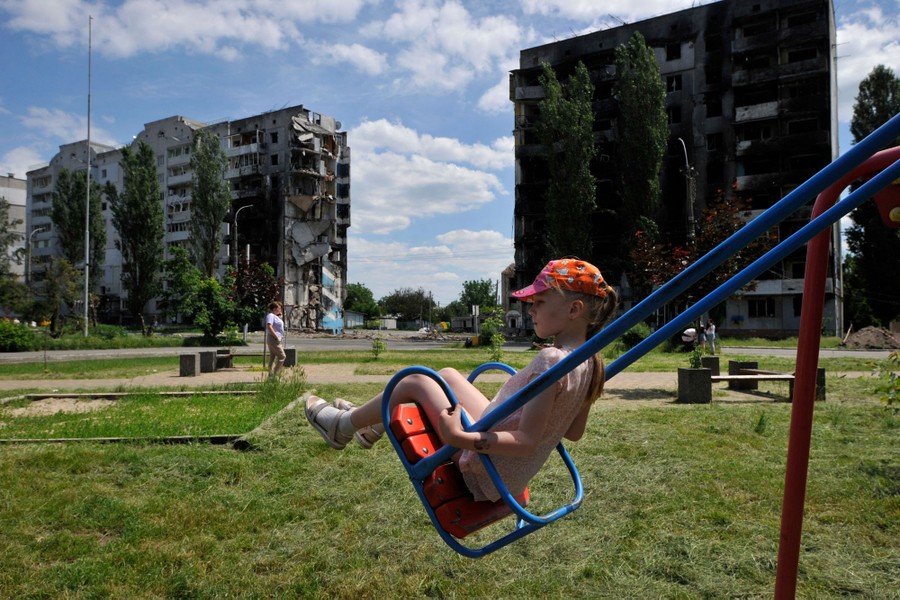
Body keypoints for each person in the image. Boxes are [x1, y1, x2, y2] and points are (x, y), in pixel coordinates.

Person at [304, 258, 618, 502]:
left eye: (540, 302)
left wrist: (460, 438)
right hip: (505, 465)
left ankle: (341, 427)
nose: (530, 310)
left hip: (484, 469)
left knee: (417, 380)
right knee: (448, 376)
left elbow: (526, 442)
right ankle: (373, 425)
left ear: (574, 309)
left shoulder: (552, 360)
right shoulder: (592, 362)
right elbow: (574, 432)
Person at [265, 301, 286, 377]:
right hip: (273, 338)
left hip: (275, 338)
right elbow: (269, 326)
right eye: (279, 308)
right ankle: (275, 374)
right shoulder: (270, 315)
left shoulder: (276, 316)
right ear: (274, 308)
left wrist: (280, 317)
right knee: (282, 356)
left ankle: (270, 375)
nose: (280, 309)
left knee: (272, 356)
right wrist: (276, 337)